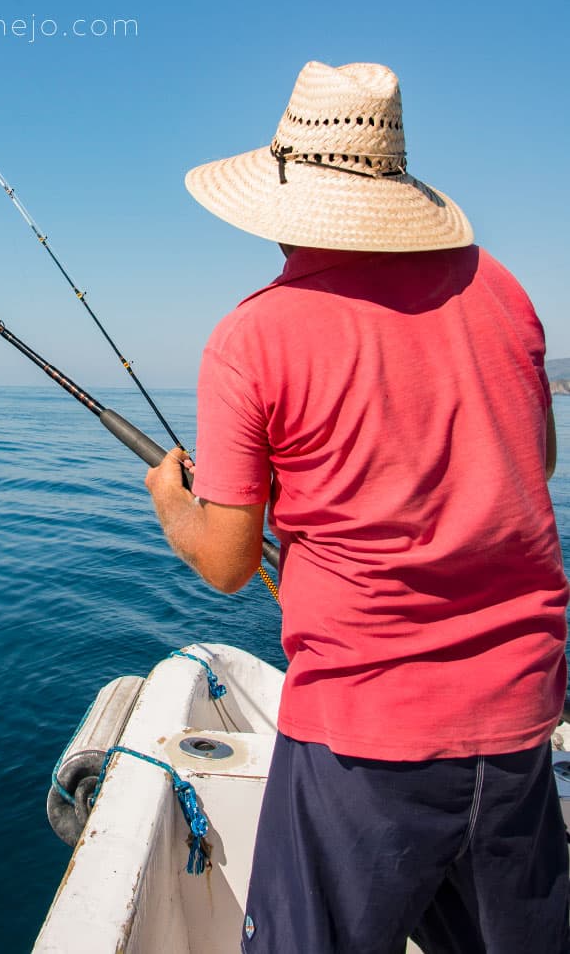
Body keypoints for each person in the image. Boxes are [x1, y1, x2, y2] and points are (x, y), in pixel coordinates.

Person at [144, 61, 569, 953]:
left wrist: (172, 503)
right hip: (521, 713)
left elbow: (227, 563)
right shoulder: (504, 291)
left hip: (362, 735)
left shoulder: (252, 336)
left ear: (282, 196)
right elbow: (538, 462)